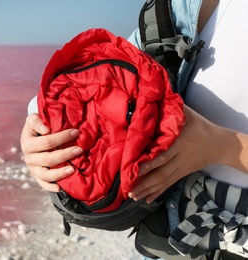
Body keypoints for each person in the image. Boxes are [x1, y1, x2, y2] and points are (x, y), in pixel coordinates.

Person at [20, 0, 248, 257]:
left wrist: (225, 147)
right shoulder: (183, 5)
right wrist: (37, 135)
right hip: (167, 239)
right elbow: (111, 68)